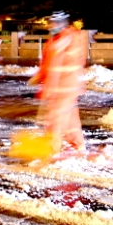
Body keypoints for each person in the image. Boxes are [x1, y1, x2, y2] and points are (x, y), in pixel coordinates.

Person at [28, 11, 87, 154]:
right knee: (70, 118)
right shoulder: (53, 41)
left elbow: (71, 60)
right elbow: (47, 63)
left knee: (56, 118)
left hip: (66, 87)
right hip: (56, 88)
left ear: (63, 23)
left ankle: (53, 148)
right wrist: (40, 76)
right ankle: (78, 144)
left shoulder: (71, 38)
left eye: (55, 23)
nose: (51, 26)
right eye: (51, 23)